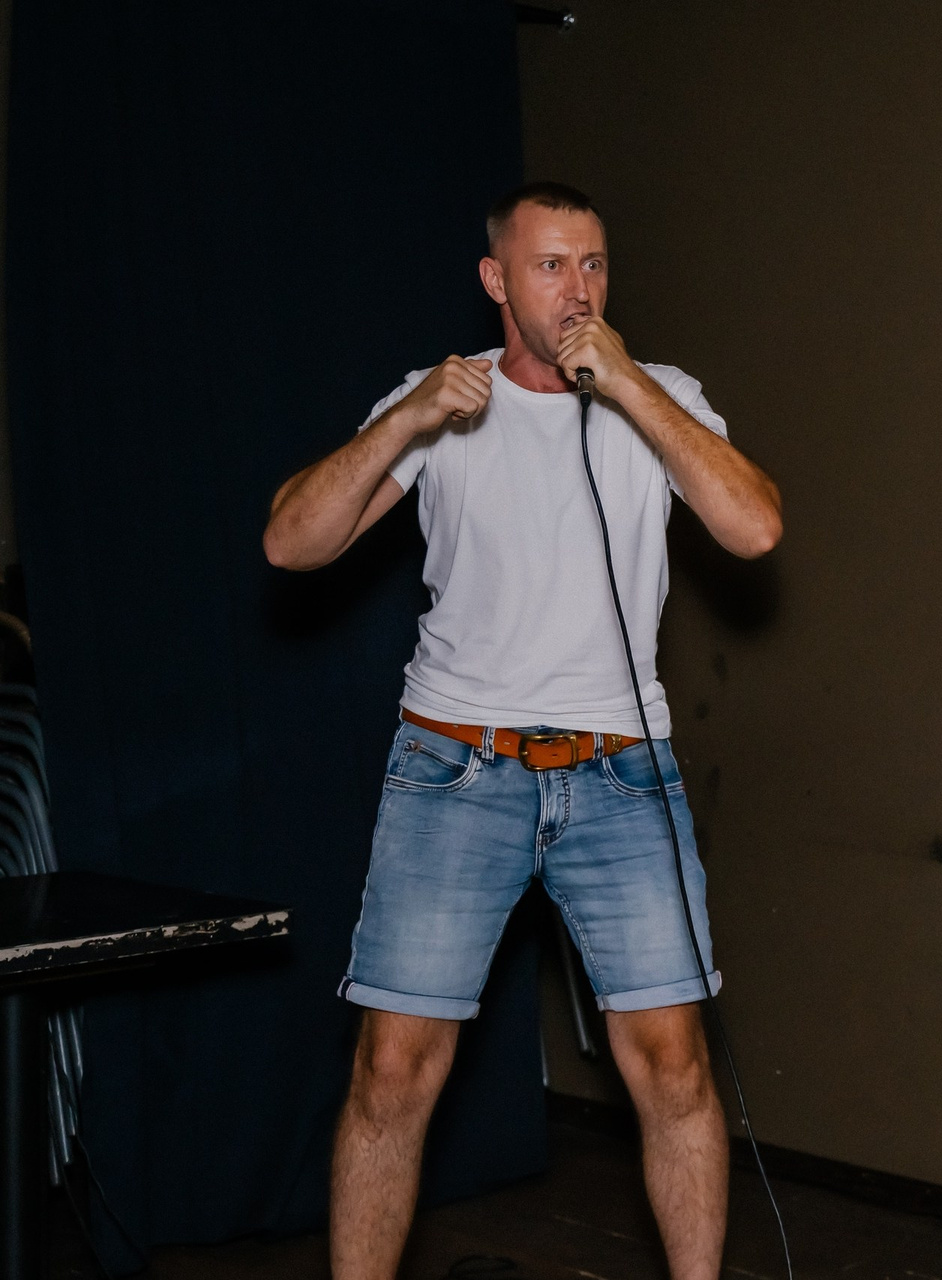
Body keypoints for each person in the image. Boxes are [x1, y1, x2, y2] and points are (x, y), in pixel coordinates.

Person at [262, 181, 782, 1280]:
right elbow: (291, 544)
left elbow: (754, 528)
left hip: (623, 774)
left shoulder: (662, 394)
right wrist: (405, 420)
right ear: (497, 279)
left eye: (593, 264)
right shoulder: (440, 402)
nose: (578, 289)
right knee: (393, 1071)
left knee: (676, 1068)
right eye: (551, 266)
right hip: (455, 768)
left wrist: (631, 384)